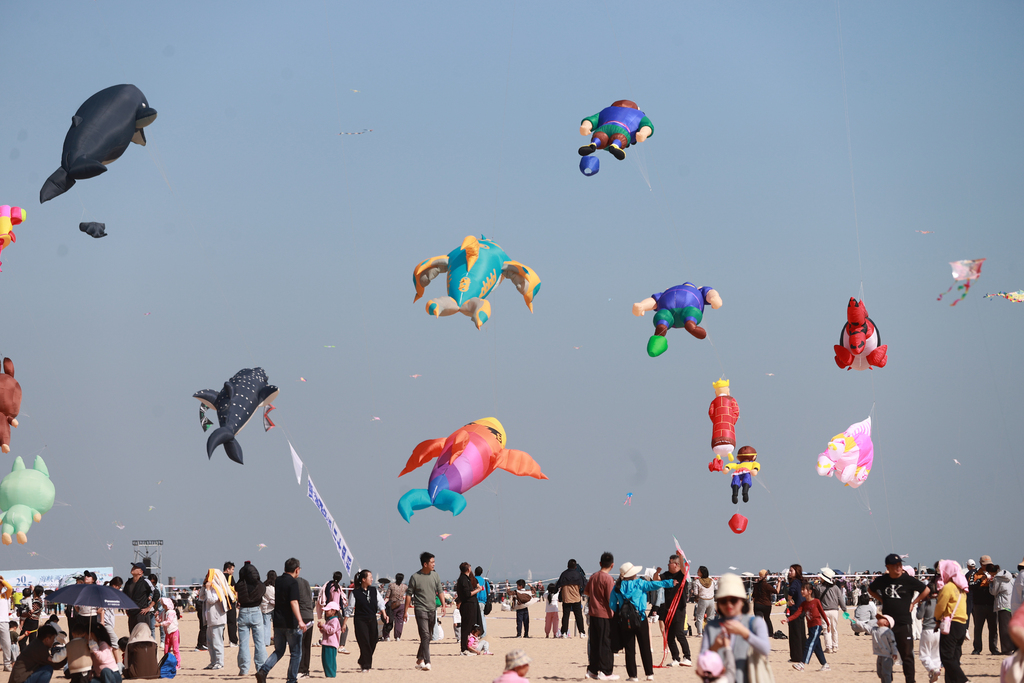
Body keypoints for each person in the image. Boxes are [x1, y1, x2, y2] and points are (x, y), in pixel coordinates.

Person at [695, 573, 771, 683]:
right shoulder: (712, 627)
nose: (729, 605)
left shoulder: (755, 623)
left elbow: (765, 649)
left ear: (742, 601)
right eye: (723, 601)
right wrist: (715, 646)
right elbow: (701, 662)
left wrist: (745, 633)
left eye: (734, 600)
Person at [609, 561, 675, 681]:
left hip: (626, 620)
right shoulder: (640, 583)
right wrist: (671, 582)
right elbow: (656, 585)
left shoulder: (617, 587)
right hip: (641, 618)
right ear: (633, 574)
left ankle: (633, 676)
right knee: (645, 647)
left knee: (629, 649)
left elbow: (612, 605)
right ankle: (649, 674)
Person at [869, 553, 930, 683]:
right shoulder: (882, 580)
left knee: (907, 655)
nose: (898, 567)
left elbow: (926, 590)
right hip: (887, 624)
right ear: (888, 567)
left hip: (904, 623)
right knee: (887, 655)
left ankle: (910, 680)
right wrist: (882, 600)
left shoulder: (908, 580)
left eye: (900, 565)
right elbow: (870, 589)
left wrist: (914, 603)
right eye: (895, 565)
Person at [256, 557, 309, 683]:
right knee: (296, 652)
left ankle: (263, 670)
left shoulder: (278, 580)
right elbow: (294, 602)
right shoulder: (293, 583)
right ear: (297, 570)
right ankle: (291, 679)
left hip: (278, 621)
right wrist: (300, 620)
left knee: (279, 650)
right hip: (290, 622)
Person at [405, 552, 445, 671]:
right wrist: (405, 611)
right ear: (425, 564)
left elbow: (440, 590)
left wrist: (443, 604)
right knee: (425, 635)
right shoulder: (415, 577)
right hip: (420, 609)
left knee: (428, 636)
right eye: (432, 562)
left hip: (432, 609)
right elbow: (409, 595)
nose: (434, 564)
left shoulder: (435, 575)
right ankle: (427, 662)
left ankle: (419, 658)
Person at [341, 569, 387, 672]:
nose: (372, 579)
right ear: (363, 579)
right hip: (360, 620)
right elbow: (349, 608)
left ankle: (362, 659)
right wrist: (344, 623)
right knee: (364, 642)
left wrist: (384, 613)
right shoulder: (355, 593)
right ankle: (366, 665)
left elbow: (380, 602)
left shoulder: (374, 590)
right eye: (370, 577)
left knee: (374, 640)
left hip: (372, 618)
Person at [583, 551, 618, 681]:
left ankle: (592, 669)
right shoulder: (608, 578)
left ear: (600, 563)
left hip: (593, 613)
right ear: (612, 565)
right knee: (605, 643)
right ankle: (606, 671)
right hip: (604, 614)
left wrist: (595, 596)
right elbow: (610, 598)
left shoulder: (593, 576)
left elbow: (586, 592)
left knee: (595, 642)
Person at [934, 560, 969, 683]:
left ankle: (963, 680)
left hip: (951, 625)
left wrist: (936, 619)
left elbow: (940, 606)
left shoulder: (948, 587)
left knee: (947, 657)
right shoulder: (962, 588)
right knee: (954, 657)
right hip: (962, 624)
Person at [654, 554, 692, 667]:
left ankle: (687, 657)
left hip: (679, 608)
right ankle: (675, 658)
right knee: (669, 635)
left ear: (676, 564)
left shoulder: (682, 574)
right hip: (667, 608)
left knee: (679, 633)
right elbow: (657, 580)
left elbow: (684, 568)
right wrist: (657, 572)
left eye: (670, 562)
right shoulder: (666, 574)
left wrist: (680, 555)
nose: (668, 564)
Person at [787, 583, 831, 671]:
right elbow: (797, 613)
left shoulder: (816, 601)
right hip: (810, 627)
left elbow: (822, 613)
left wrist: (828, 624)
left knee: (808, 644)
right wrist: (788, 619)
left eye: (804, 589)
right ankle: (825, 665)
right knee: (817, 647)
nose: (802, 591)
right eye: (801, 589)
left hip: (817, 626)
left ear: (810, 592)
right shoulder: (803, 603)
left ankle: (802, 664)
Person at [235, 560, 266, 676]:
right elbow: (263, 591)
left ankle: (243, 669)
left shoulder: (239, 585)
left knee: (243, 643)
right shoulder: (259, 585)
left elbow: (237, 594)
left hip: (243, 611)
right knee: (260, 642)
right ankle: (261, 668)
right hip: (256, 611)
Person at [202, 568, 231, 670]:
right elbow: (201, 597)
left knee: (217, 642)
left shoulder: (217, 589)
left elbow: (211, 600)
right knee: (210, 642)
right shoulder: (208, 588)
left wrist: (209, 589)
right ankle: (213, 662)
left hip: (217, 619)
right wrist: (204, 586)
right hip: (210, 620)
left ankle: (220, 662)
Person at [969, 554, 998, 656]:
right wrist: (980, 580)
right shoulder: (975, 573)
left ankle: (994, 649)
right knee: (978, 628)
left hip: (992, 604)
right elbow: (971, 586)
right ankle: (977, 649)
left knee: (993, 628)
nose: (987, 566)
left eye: (989, 564)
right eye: (985, 565)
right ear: (981, 564)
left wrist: (993, 581)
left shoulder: (995, 573)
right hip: (978, 605)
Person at [916, 577, 940, 683]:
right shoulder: (940, 602)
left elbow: (918, 616)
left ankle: (932, 669)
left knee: (924, 655)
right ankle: (936, 672)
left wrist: (918, 606)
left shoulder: (926, 603)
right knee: (936, 654)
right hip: (938, 630)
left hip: (927, 630)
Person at [456, 562, 483, 652]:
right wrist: (478, 590)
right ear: (468, 569)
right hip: (467, 605)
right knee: (466, 628)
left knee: (471, 627)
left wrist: (477, 586)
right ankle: (464, 649)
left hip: (472, 604)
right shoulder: (463, 579)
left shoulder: (467, 579)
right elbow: (467, 594)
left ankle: (469, 646)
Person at [557, 559, 586, 638]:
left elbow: (558, 585)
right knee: (578, 616)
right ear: (575, 566)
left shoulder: (564, 574)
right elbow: (584, 585)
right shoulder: (578, 574)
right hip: (576, 597)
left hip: (566, 597)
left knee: (566, 616)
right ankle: (582, 632)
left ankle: (564, 632)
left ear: (567, 566)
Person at [817, 568, 844, 654]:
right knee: (834, 629)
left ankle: (828, 647)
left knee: (826, 629)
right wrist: (844, 609)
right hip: (834, 610)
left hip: (824, 611)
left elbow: (816, 599)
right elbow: (840, 599)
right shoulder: (835, 587)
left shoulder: (819, 588)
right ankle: (835, 646)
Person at [989, 562, 1014, 655]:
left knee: (1003, 628)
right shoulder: (1009, 576)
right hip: (1010, 604)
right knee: (1010, 627)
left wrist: (990, 584)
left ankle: (1006, 649)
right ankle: (1014, 647)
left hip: (1002, 605)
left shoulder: (997, 578)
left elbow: (994, 592)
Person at [122, 564, 154, 633]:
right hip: (131, 614)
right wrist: (126, 609)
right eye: (133, 567)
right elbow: (124, 596)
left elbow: (156, 593)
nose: (133, 568)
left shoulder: (145, 581)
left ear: (141, 572)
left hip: (141, 614)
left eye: (136, 567)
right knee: (133, 637)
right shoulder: (128, 582)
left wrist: (149, 607)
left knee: (142, 637)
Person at [785, 565, 807, 663]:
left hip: (795, 610)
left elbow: (791, 591)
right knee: (801, 633)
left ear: (796, 571)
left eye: (791, 571)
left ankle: (796, 657)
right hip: (802, 609)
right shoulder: (802, 582)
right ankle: (803, 655)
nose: (789, 572)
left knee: (795, 634)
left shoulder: (795, 582)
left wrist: (789, 599)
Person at [870, 614, 899, 683]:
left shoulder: (888, 631)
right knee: (880, 673)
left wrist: (894, 652)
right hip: (879, 655)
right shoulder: (875, 630)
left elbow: (893, 643)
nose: (878, 619)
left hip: (887, 656)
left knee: (886, 673)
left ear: (886, 623)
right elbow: (866, 627)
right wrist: (857, 622)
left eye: (881, 618)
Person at [296, 572, 315, 678]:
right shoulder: (306, 583)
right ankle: (306, 670)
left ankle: (300, 669)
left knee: (300, 645)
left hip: (301, 616)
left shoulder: (294, 583)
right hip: (309, 615)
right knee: (307, 645)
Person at [318, 601, 342, 677]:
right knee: (325, 660)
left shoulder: (335, 620)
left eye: (327, 611)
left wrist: (324, 626)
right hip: (326, 642)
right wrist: (321, 628)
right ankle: (328, 674)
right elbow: (326, 631)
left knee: (330, 661)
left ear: (333, 611)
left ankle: (331, 675)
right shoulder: (329, 620)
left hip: (331, 644)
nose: (326, 612)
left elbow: (331, 630)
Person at [65, 619, 92, 683]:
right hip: (86, 668)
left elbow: (61, 655)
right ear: (84, 634)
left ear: (72, 633)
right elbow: (95, 649)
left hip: (73, 669)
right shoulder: (87, 642)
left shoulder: (68, 645)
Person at [156, 598, 179, 670]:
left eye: (164, 604)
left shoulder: (171, 612)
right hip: (167, 633)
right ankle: (166, 663)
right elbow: (160, 619)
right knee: (166, 649)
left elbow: (168, 621)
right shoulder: (163, 612)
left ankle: (178, 664)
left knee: (175, 649)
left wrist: (160, 624)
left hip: (174, 631)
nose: (163, 606)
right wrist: (156, 616)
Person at [693, 567, 716, 638]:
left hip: (702, 600)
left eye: (698, 571)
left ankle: (700, 633)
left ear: (702, 573)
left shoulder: (697, 581)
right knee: (711, 617)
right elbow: (715, 588)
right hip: (711, 600)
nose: (697, 572)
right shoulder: (712, 581)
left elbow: (696, 593)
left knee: (700, 617)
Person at [383, 573, 406, 642]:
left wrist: (383, 604)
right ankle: (397, 636)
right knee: (399, 621)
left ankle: (387, 636)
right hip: (401, 604)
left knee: (389, 620)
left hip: (392, 604)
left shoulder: (391, 585)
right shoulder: (405, 586)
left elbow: (387, 596)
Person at [223, 562, 239, 648]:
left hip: (221, 603)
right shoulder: (230, 577)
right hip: (230, 602)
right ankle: (233, 641)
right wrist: (237, 599)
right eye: (232, 569)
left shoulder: (219, 577)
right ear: (228, 569)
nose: (233, 571)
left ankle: (220, 641)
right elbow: (235, 589)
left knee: (221, 624)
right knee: (232, 623)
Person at [260, 571, 277, 652]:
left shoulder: (263, 586)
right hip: (274, 607)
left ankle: (266, 641)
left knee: (266, 625)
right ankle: (277, 640)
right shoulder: (274, 587)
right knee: (276, 626)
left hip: (265, 608)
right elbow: (274, 599)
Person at [0, 573, 13, 671]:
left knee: (7, 644)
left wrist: (2, 580)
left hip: (3, 621)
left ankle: (7, 664)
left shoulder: (5, 595)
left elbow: (10, 588)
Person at [475, 567, 492, 636]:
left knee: (475, 618)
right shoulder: (485, 581)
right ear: (481, 573)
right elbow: (488, 591)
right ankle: (483, 634)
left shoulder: (473, 580)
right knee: (482, 618)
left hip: (475, 601)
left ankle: (476, 634)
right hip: (483, 601)